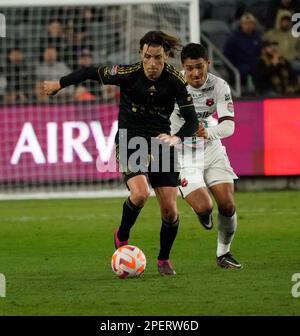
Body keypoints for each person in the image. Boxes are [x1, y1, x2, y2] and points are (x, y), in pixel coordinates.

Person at [43, 31, 199, 276]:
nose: (152, 63)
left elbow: (192, 120)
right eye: (148, 57)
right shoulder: (127, 74)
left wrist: (176, 137)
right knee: (140, 194)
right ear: (141, 55)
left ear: (166, 57)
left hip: (161, 142)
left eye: (158, 58)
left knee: (170, 210)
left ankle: (163, 259)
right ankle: (122, 234)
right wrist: (58, 84)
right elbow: (90, 72)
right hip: (131, 139)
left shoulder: (176, 81)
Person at [170, 43, 242, 269]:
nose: (195, 73)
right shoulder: (172, 85)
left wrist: (208, 133)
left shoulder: (219, 85)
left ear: (207, 63)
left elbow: (229, 126)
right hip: (183, 154)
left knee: (228, 204)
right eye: (190, 68)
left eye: (199, 67)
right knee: (204, 206)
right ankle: (201, 211)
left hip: (210, 148)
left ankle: (224, 254)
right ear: (183, 67)